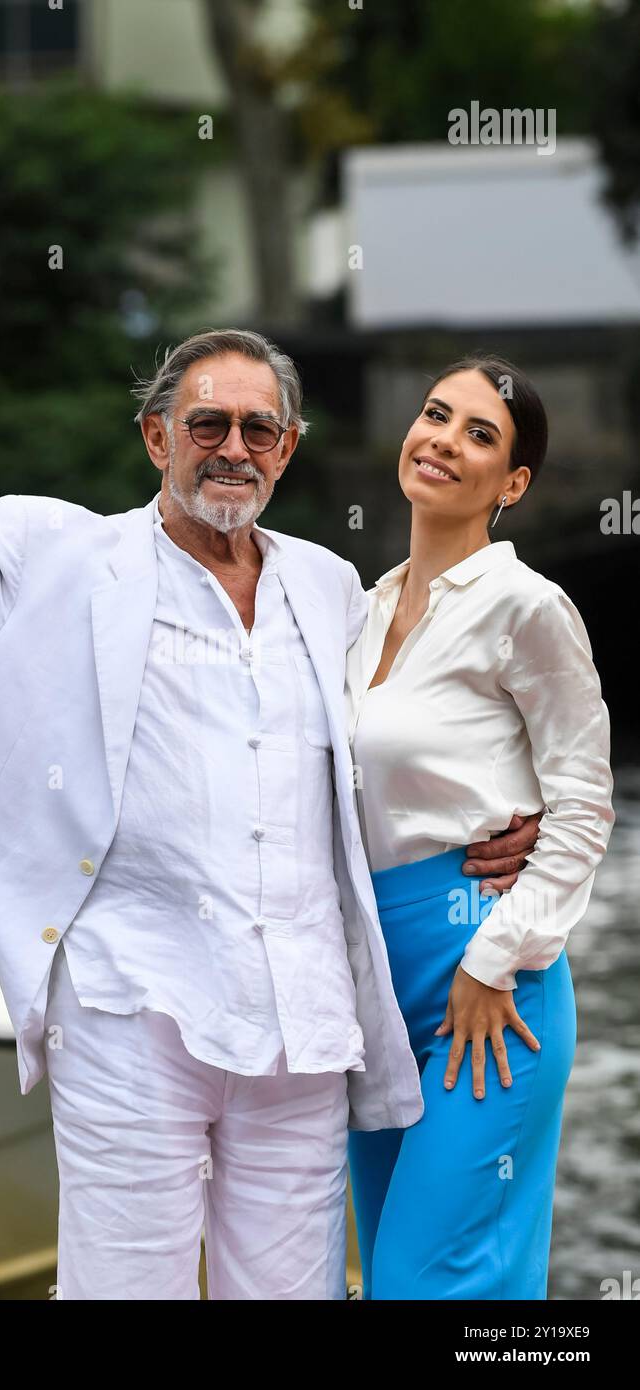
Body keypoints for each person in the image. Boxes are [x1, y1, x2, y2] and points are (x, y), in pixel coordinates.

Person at [0, 224, 540, 1300]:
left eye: (259, 428)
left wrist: (496, 819)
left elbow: (413, 738)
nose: (233, 447)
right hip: (130, 1006)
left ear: (287, 449)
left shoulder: (333, 589)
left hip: (301, 1018)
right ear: (155, 438)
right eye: (205, 422)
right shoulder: (45, 555)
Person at [344, 355, 615, 1300]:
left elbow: (584, 801)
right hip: (367, 990)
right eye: (435, 415)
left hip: (484, 982)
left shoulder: (526, 607)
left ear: (515, 483)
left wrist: (491, 960)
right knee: (389, 1275)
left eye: (480, 435)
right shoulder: (356, 610)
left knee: (433, 1283)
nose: (444, 441)